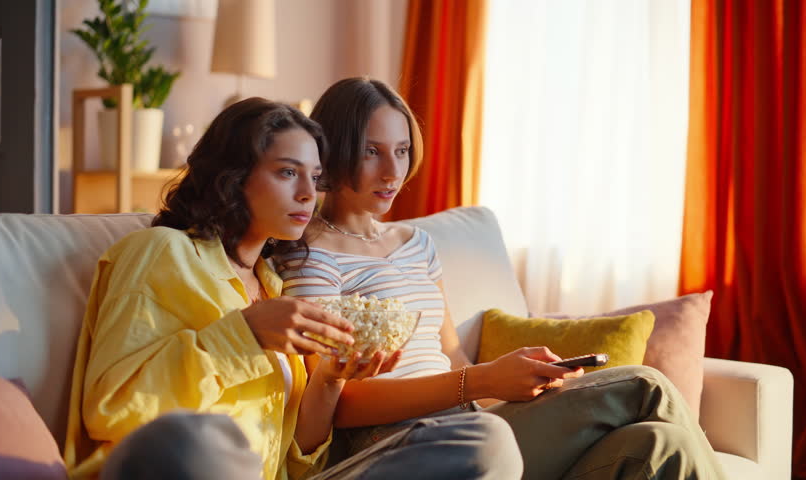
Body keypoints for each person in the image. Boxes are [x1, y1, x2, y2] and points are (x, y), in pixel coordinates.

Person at [276, 77, 729, 479]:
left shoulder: (416, 244)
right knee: (644, 385)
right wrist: (486, 380)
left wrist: (514, 390)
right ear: (333, 150)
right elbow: (338, 401)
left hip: (468, 417)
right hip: (401, 443)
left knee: (662, 445)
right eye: (372, 151)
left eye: (401, 150)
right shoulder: (312, 255)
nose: (393, 171)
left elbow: (452, 356)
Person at [63, 97, 521, 480]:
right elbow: (111, 407)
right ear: (234, 176)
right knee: (192, 443)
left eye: (314, 177)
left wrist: (328, 379)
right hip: (175, 466)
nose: (308, 193)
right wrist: (243, 334)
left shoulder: (272, 285)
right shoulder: (160, 253)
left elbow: (300, 460)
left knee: (485, 440)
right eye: (287, 173)